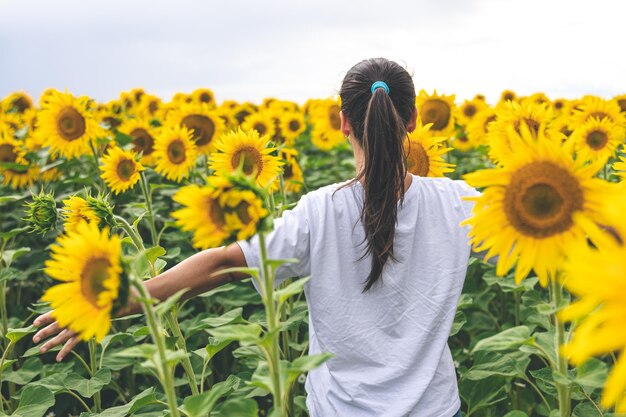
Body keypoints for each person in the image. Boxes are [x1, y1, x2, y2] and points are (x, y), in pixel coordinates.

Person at [32, 58, 477, 417]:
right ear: (415, 120)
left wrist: (107, 305)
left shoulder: (318, 213)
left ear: (343, 123)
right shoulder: (461, 204)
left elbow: (221, 265)